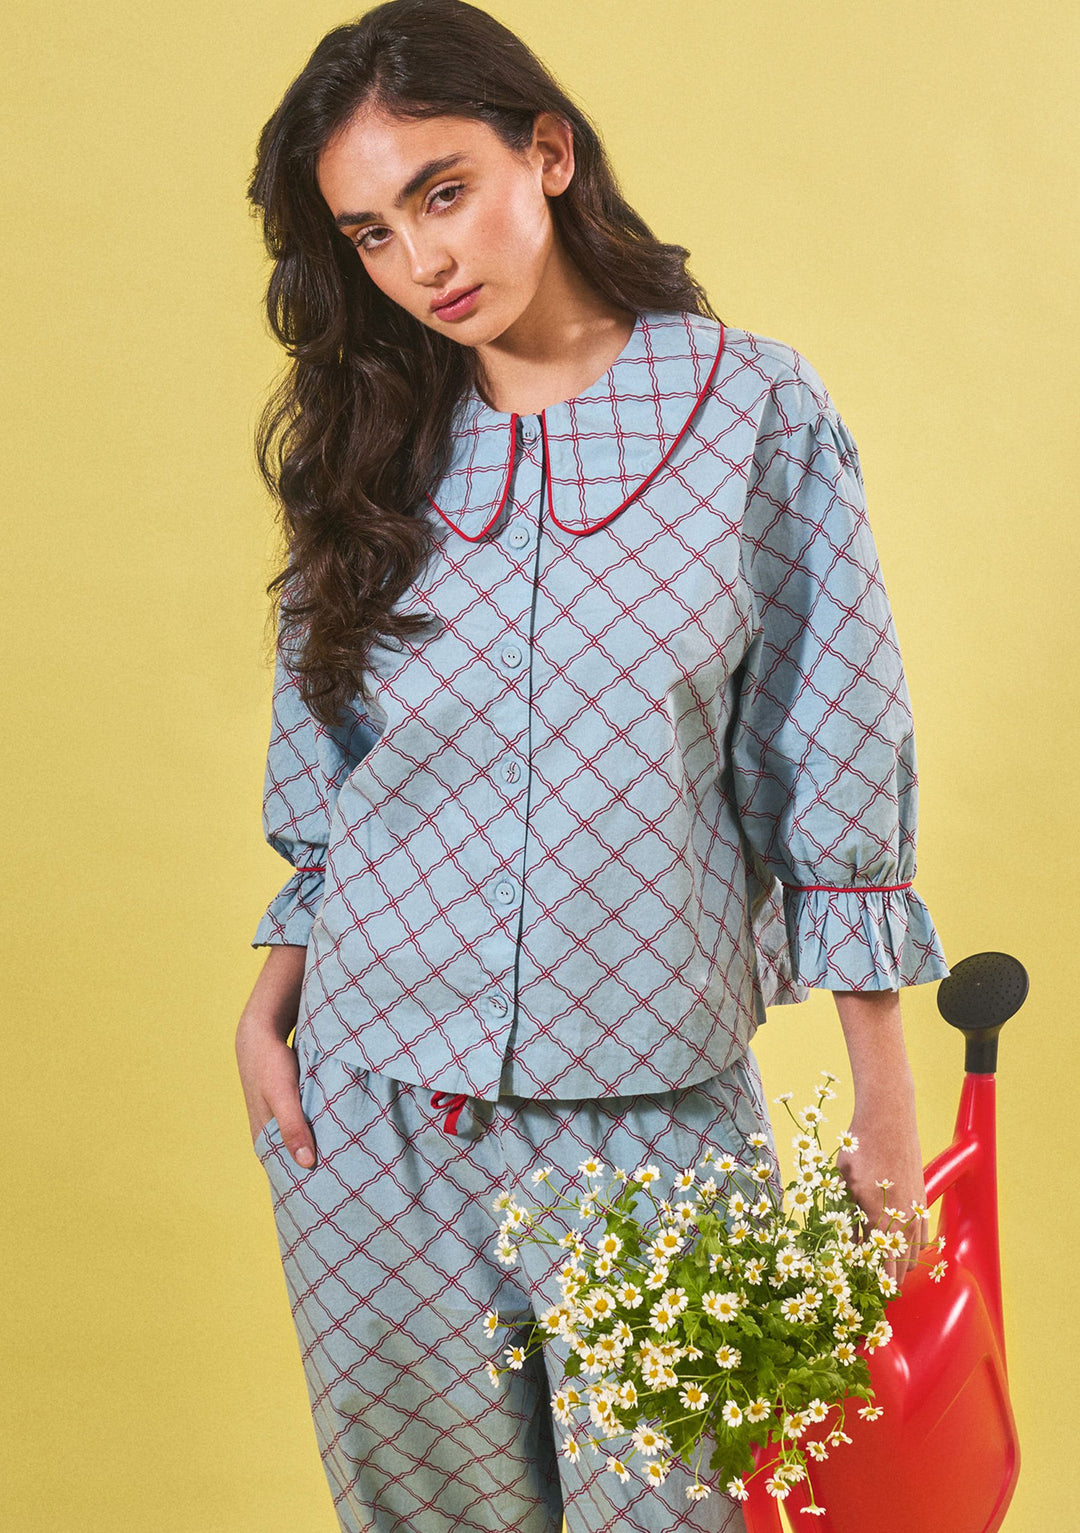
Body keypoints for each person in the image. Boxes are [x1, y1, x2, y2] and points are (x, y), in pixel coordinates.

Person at [233, 2, 950, 1529]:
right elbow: (332, 773)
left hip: (651, 1112)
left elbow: (833, 751)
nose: (422, 263)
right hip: (367, 1110)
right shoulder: (372, 441)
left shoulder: (754, 412)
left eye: (443, 191)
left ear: (545, 154)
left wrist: (885, 1098)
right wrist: (270, 988)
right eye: (368, 233)